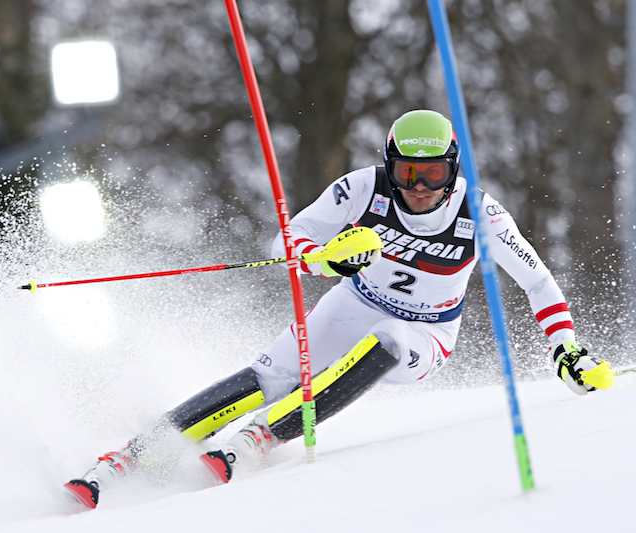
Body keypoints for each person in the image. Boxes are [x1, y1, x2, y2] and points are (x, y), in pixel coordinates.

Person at [63, 109, 608, 509]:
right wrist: (322, 260)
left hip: (427, 335)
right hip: (355, 301)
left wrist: (565, 351)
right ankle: (132, 456)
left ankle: (261, 439)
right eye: (406, 174)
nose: (418, 189)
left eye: (432, 175)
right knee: (269, 375)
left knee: (388, 344)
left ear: (451, 170)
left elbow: (537, 281)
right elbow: (288, 240)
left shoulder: (480, 212)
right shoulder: (361, 190)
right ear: (390, 167)